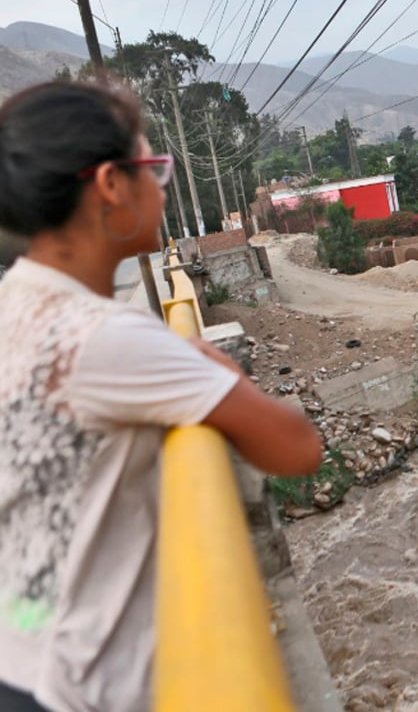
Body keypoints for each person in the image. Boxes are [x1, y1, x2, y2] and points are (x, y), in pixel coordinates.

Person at [0, 79, 323, 711]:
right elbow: (297, 447)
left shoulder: (15, 306)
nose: (163, 187)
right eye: (153, 167)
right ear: (111, 186)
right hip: (72, 686)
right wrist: (202, 357)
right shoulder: (103, 337)